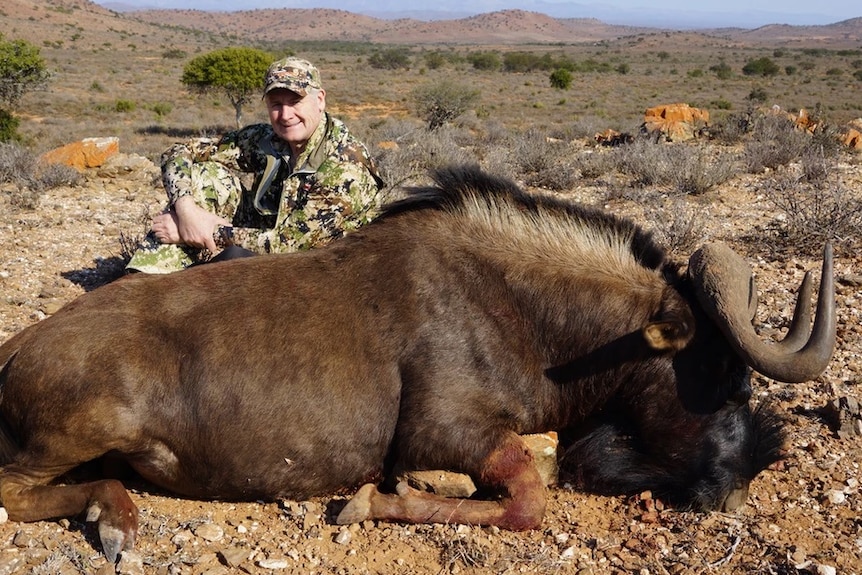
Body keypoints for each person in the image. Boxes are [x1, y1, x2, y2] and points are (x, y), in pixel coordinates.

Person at [126, 56, 385, 273]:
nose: (285, 115)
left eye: (295, 102)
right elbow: (180, 150)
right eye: (276, 104)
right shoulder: (266, 138)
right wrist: (187, 213)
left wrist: (208, 231)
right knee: (205, 176)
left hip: (324, 273)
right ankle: (142, 285)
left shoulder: (344, 166)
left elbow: (290, 247)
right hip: (266, 243)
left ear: (320, 100)